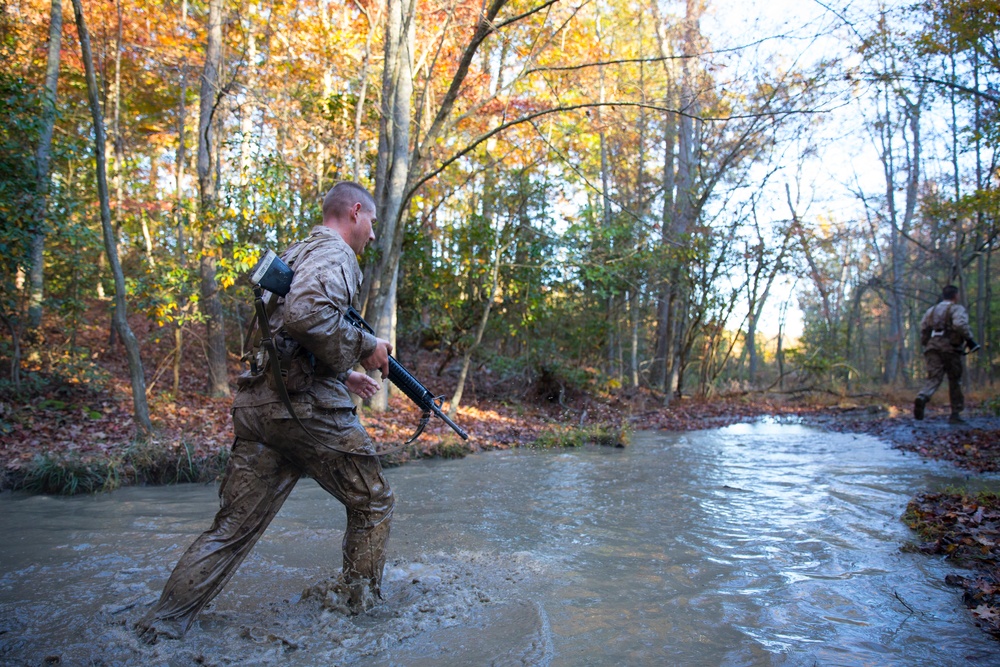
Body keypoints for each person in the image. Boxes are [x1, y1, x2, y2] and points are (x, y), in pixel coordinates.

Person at [135, 181, 395, 643]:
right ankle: (360, 617)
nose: (373, 235)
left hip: (261, 407)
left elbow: (284, 338)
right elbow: (308, 315)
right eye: (372, 222)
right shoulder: (336, 254)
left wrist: (341, 376)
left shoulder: (297, 252)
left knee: (231, 530)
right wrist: (367, 346)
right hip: (305, 413)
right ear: (355, 212)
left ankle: (159, 626)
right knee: (373, 500)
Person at [914, 284, 978, 423]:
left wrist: (927, 344)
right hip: (950, 348)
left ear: (944, 296)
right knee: (954, 380)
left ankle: (923, 396)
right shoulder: (957, 308)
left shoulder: (931, 310)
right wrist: (969, 338)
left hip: (932, 347)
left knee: (934, 378)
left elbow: (924, 329)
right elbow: (960, 324)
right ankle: (955, 414)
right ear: (955, 295)